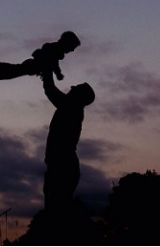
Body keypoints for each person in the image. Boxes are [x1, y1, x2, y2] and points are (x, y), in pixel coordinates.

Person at [40, 70, 95, 213]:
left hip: (62, 166)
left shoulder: (71, 107)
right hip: (64, 165)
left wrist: (47, 72)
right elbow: (51, 90)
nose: (72, 88)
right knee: (57, 209)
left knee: (55, 210)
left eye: (76, 88)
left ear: (79, 97)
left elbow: (51, 91)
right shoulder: (72, 108)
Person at [0, 31, 80, 89]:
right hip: (32, 66)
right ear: (67, 43)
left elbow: (51, 62)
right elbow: (53, 62)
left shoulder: (56, 50)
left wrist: (52, 72)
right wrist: (57, 74)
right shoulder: (56, 50)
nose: (72, 50)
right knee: (11, 72)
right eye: (72, 47)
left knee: (12, 71)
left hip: (32, 66)